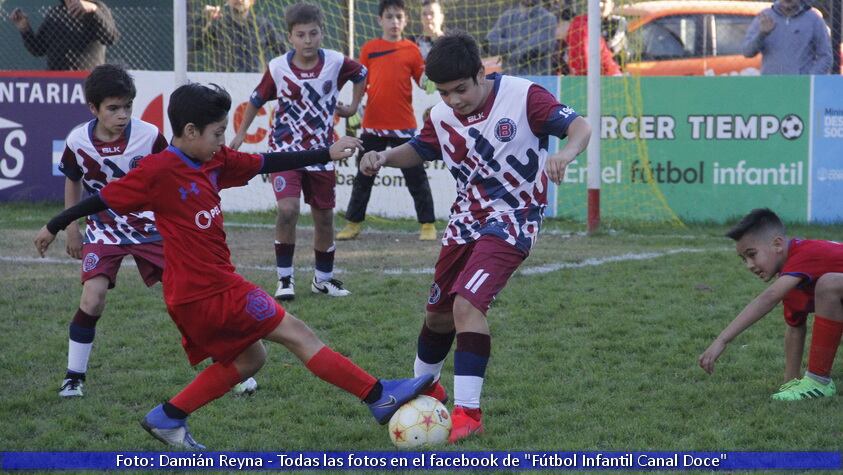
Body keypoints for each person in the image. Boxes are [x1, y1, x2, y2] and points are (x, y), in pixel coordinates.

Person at [34, 83, 433, 449]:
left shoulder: (215, 160)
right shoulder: (158, 172)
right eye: (217, 132)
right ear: (190, 131)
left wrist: (324, 153)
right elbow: (103, 198)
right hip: (207, 292)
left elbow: (264, 161)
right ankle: (380, 396)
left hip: (203, 291)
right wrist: (57, 224)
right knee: (297, 333)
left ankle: (168, 417)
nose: (223, 141)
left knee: (250, 359)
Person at [357, 32, 591, 442]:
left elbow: (580, 126)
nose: (453, 100)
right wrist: (385, 157)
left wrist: (565, 154)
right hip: (465, 220)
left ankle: (468, 412)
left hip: (514, 218)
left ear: (482, 73)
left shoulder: (524, 96)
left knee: (467, 305)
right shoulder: (441, 115)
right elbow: (420, 148)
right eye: (444, 93)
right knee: (437, 314)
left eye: (461, 89)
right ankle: (422, 390)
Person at [230, 2, 365, 301]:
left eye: (313, 34)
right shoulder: (278, 67)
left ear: (322, 34)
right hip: (285, 152)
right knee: (288, 210)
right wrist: (240, 134)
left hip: (323, 153)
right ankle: (285, 279)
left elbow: (362, 73)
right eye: (301, 35)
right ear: (290, 37)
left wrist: (353, 107)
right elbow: (256, 99)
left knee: (325, 218)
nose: (307, 40)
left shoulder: (335, 61)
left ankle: (323, 280)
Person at [54, 64, 168, 399]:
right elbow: (73, 181)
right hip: (103, 229)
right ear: (94, 109)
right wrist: (72, 228)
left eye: (127, 107)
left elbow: (170, 176)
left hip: (149, 225)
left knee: (187, 294)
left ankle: (230, 363)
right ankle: (74, 377)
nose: (122, 115)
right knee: (92, 297)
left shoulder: (150, 136)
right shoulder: (77, 140)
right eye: (113, 109)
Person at [699, 208, 843, 401]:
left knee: (828, 284)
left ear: (777, 244)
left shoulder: (804, 253)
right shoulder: (792, 279)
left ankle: (818, 381)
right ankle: (802, 382)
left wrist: (722, 340)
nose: (749, 265)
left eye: (752, 254)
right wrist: (790, 383)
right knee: (825, 288)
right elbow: (795, 329)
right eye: (744, 259)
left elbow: (769, 297)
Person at [336, 0, 437, 242]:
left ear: (405, 21)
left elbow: (423, 82)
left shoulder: (412, 50)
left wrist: (434, 76)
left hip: (404, 126)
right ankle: (353, 224)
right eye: (389, 17)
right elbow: (361, 82)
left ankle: (427, 225)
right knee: (364, 177)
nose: (394, 22)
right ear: (380, 20)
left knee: (416, 178)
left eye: (399, 17)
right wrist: (353, 107)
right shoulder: (369, 48)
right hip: (373, 125)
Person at [8, 0, 118, 71]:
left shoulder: (97, 7)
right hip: (57, 83)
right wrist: (24, 28)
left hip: (88, 81)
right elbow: (38, 49)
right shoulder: (55, 13)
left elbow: (110, 38)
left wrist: (93, 10)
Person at [741, 0, 832, 75]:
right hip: (770, 85)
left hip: (800, 87)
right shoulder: (765, 16)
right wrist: (762, 34)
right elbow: (747, 52)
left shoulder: (814, 19)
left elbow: (825, 56)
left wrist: (809, 79)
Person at [193, 0, 284, 73]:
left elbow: (286, 52)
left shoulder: (264, 25)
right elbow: (192, 45)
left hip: (257, 84)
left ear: (253, 1)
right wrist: (204, 19)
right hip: (224, 83)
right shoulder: (216, 24)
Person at [485, 0, 557, 76]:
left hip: (535, 80)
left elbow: (532, 50)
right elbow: (489, 42)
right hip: (509, 78)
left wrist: (506, 51)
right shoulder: (507, 16)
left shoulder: (548, 19)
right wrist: (518, 42)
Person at [564, 0, 623, 76]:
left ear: (612, 5)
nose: (600, 5)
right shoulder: (580, 26)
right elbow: (582, 61)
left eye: (604, 1)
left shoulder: (614, 23)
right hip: (591, 80)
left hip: (608, 76)